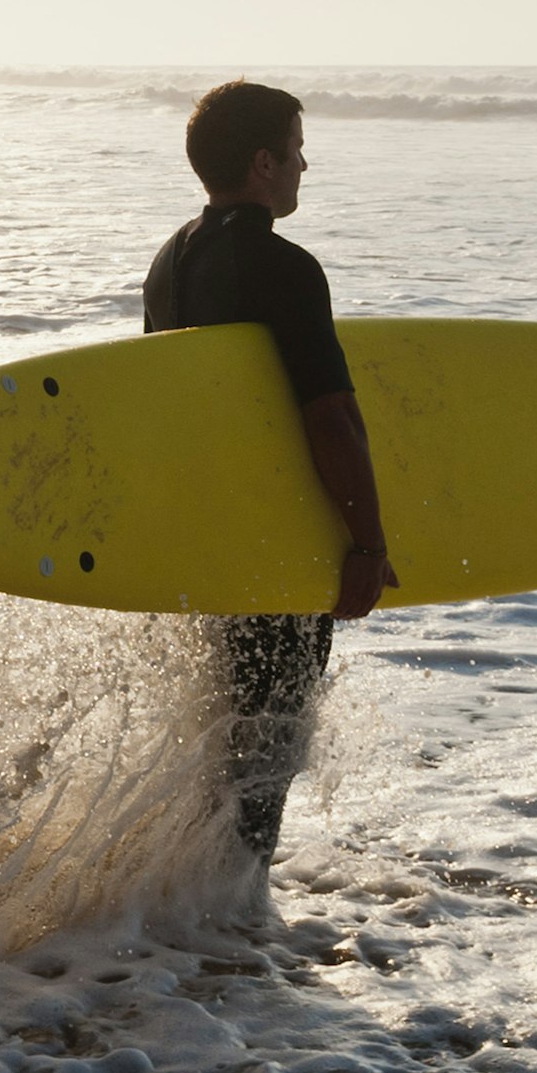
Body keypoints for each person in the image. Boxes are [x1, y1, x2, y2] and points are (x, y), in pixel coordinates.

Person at [143, 79, 395, 870]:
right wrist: (367, 542)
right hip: (276, 544)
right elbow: (330, 417)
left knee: (228, 743)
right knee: (270, 750)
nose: (304, 166)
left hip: (211, 540)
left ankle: (198, 915)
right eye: (294, 149)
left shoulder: (170, 263)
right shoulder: (285, 268)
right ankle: (234, 931)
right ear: (262, 163)